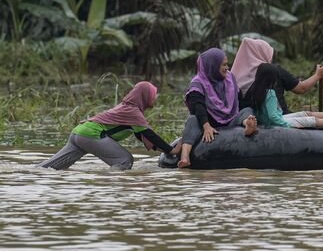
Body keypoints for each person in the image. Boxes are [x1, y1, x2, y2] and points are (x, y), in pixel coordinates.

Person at [39, 81, 174, 170]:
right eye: (153, 95)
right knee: (125, 160)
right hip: (92, 135)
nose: (154, 98)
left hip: (79, 133)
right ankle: (106, 185)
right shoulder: (133, 112)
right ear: (144, 95)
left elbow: (142, 136)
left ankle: (29, 174)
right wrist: (171, 150)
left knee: (51, 168)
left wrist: (165, 150)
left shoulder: (127, 108)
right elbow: (151, 135)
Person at [178, 48, 258, 168]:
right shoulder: (198, 83)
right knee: (192, 120)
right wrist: (206, 126)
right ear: (213, 66)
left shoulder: (230, 78)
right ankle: (185, 157)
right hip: (209, 122)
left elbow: (239, 100)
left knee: (246, 111)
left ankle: (247, 124)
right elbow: (198, 106)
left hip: (231, 119)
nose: (227, 68)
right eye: (224, 65)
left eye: (227, 64)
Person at [247, 63, 323, 131]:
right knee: (312, 121)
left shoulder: (253, 90)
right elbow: (273, 116)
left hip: (274, 121)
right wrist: (286, 126)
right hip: (279, 122)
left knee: (307, 114)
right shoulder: (270, 93)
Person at [231, 37, 323, 114]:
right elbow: (301, 88)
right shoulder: (273, 70)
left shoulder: (232, 76)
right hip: (279, 116)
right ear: (262, 53)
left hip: (249, 120)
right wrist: (318, 75)